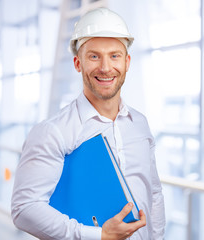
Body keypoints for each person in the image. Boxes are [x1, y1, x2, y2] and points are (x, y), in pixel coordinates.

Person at [11, 7, 166, 240]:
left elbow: (153, 194)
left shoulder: (139, 124)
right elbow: (24, 208)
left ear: (127, 62)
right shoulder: (54, 132)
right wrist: (98, 235)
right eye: (94, 56)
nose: (105, 68)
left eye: (114, 55)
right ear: (77, 63)